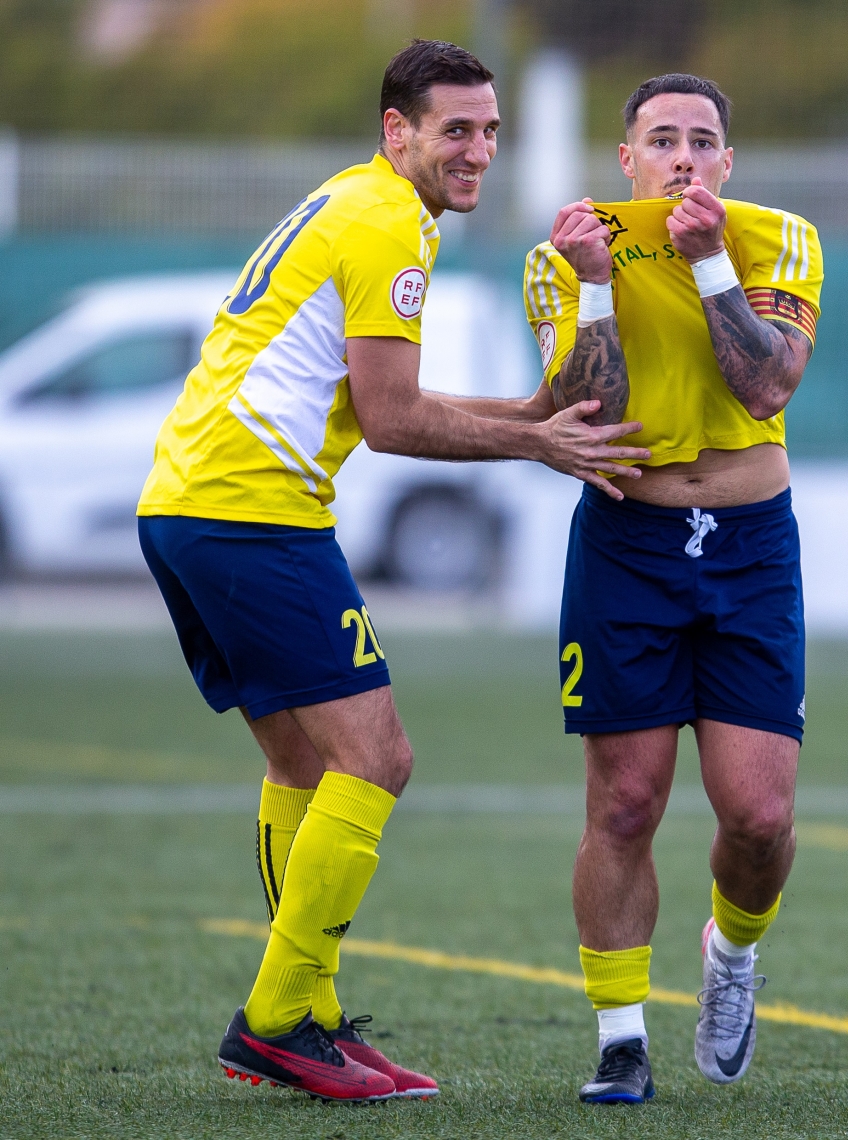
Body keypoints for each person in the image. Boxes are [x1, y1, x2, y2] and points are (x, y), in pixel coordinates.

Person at [136, 39, 649, 1105]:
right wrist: (538, 443)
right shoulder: (387, 226)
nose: (479, 152)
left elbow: (382, 394)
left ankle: (307, 1017)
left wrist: (530, 410)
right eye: (455, 130)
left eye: (492, 131)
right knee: (378, 760)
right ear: (396, 130)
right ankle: (277, 1022)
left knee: (305, 770)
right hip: (249, 514)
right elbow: (393, 421)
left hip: (194, 505)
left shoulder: (355, 203)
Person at [523, 73, 823, 1103]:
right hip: (628, 545)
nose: (683, 156)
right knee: (625, 803)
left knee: (759, 817)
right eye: (663, 139)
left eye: (702, 140)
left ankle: (731, 960)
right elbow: (583, 412)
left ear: (728, 163)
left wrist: (707, 268)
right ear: (628, 158)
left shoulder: (776, 236)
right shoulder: (565, 246)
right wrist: (600, 282)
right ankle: (620, 1040)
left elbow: (767, 385)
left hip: (750, 545)